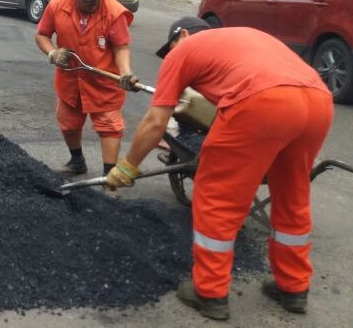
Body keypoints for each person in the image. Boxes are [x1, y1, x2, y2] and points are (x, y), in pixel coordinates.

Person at [105, 17, 333, 321]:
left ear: (182, 35)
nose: (168, 55)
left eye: (169, 48)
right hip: (317, 101)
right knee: (293, 195)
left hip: (264, 102)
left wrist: (127, 167)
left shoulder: (182, 51)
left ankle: (210, 292)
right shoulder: (240, 38)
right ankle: (293, 287)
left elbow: (156, 122)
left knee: (217, 198)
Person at [34, 0, 136, 176]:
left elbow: (121, 47)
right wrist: (53, 53)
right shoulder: (57, 5)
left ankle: (109, 175)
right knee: (69, 124)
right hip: (70, 79)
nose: (95, 2)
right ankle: (77, 161)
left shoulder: (113, 12)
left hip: (103, 82)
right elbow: (42, 35)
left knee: (109, 126)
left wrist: (125, 72)